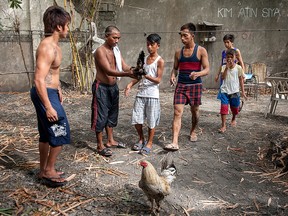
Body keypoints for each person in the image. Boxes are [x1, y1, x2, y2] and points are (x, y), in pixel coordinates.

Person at [30, 6, 71, 187]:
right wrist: (48, 106)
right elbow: (39, 79)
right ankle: (49, 170)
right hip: (44, 92)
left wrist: (59, 88)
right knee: (61, 129)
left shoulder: (54, 46)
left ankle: (43, 169)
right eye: (67, 25)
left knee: (46, 134)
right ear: (59, 26)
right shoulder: (47, 47)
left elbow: (52, 73)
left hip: (50, 91)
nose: (68, 29)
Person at [91, 25, 136, 157]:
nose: (117, 40)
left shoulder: (116, 50)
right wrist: (127, 74)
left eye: (118, 38)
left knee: (112, 114)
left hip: (113, 87)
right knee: (100, 115)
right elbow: (108, 71)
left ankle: (110, 140)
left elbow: (124, 66)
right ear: (106, 36)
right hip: (102, 87)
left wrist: (134, 70)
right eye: (114, 37)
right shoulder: (100, 51)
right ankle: (100, 145)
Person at [164, 23, 209, 151]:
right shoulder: (178, 52)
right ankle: (174, 142)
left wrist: (198, 73)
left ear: (192, 35)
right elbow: (175, 68)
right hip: (181, 86)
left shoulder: (201, 50)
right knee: (177, 112)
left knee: (194, 111)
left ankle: (193, 130)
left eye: (185, 36)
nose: (182, 38)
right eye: (181, 36)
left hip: (195, 86)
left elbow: (207, 69)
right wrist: (173, 76)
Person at [124, 33, 164, 155]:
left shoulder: (160, 61)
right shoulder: (144, 59)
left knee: (151, 120)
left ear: (158, 46)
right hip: (141, 93)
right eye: (147, 44)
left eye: (152, 44)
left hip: (152, 95)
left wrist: (146, 75)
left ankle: (150, 143)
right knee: (137, 119)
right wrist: (130, 84)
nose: (149, 47)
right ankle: (141, 139)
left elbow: (158, 80)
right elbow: (138, 76)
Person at [217, 49, 247, 133]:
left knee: (235, 109)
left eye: (231, 57)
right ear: (225, 58)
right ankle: (223, 125)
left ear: (235, 58)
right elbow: (223, 77)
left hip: (235, 91)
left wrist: (243, 92)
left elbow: (241, 80)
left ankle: (233, 118)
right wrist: (226, 68)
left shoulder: (238, 68)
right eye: (228, 57)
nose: (229, 58)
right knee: (224, 108)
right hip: (224, 91)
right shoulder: (223, 67)